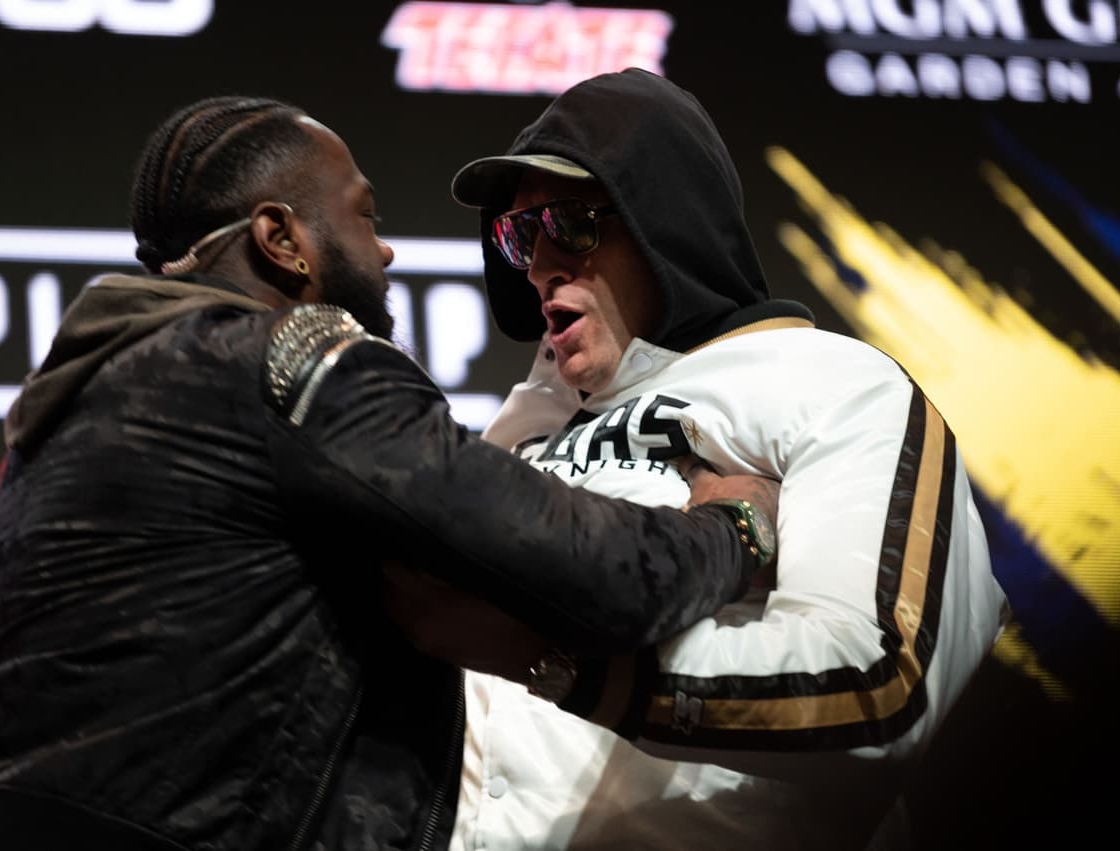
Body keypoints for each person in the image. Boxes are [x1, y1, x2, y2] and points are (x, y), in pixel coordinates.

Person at [0, 94, 783, 851]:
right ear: (281, 239)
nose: (386, 252)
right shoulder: (296, 363)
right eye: (366, 217)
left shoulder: (74, 404)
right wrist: (728, 527)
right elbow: (586, 569)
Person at [392, 67, 1011, 850]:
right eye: (520, 235)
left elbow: (878, 690)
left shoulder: (836, 385)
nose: (540, 265)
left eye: (571, 223)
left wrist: (564, 661)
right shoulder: (522, 428)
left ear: (665, 220)